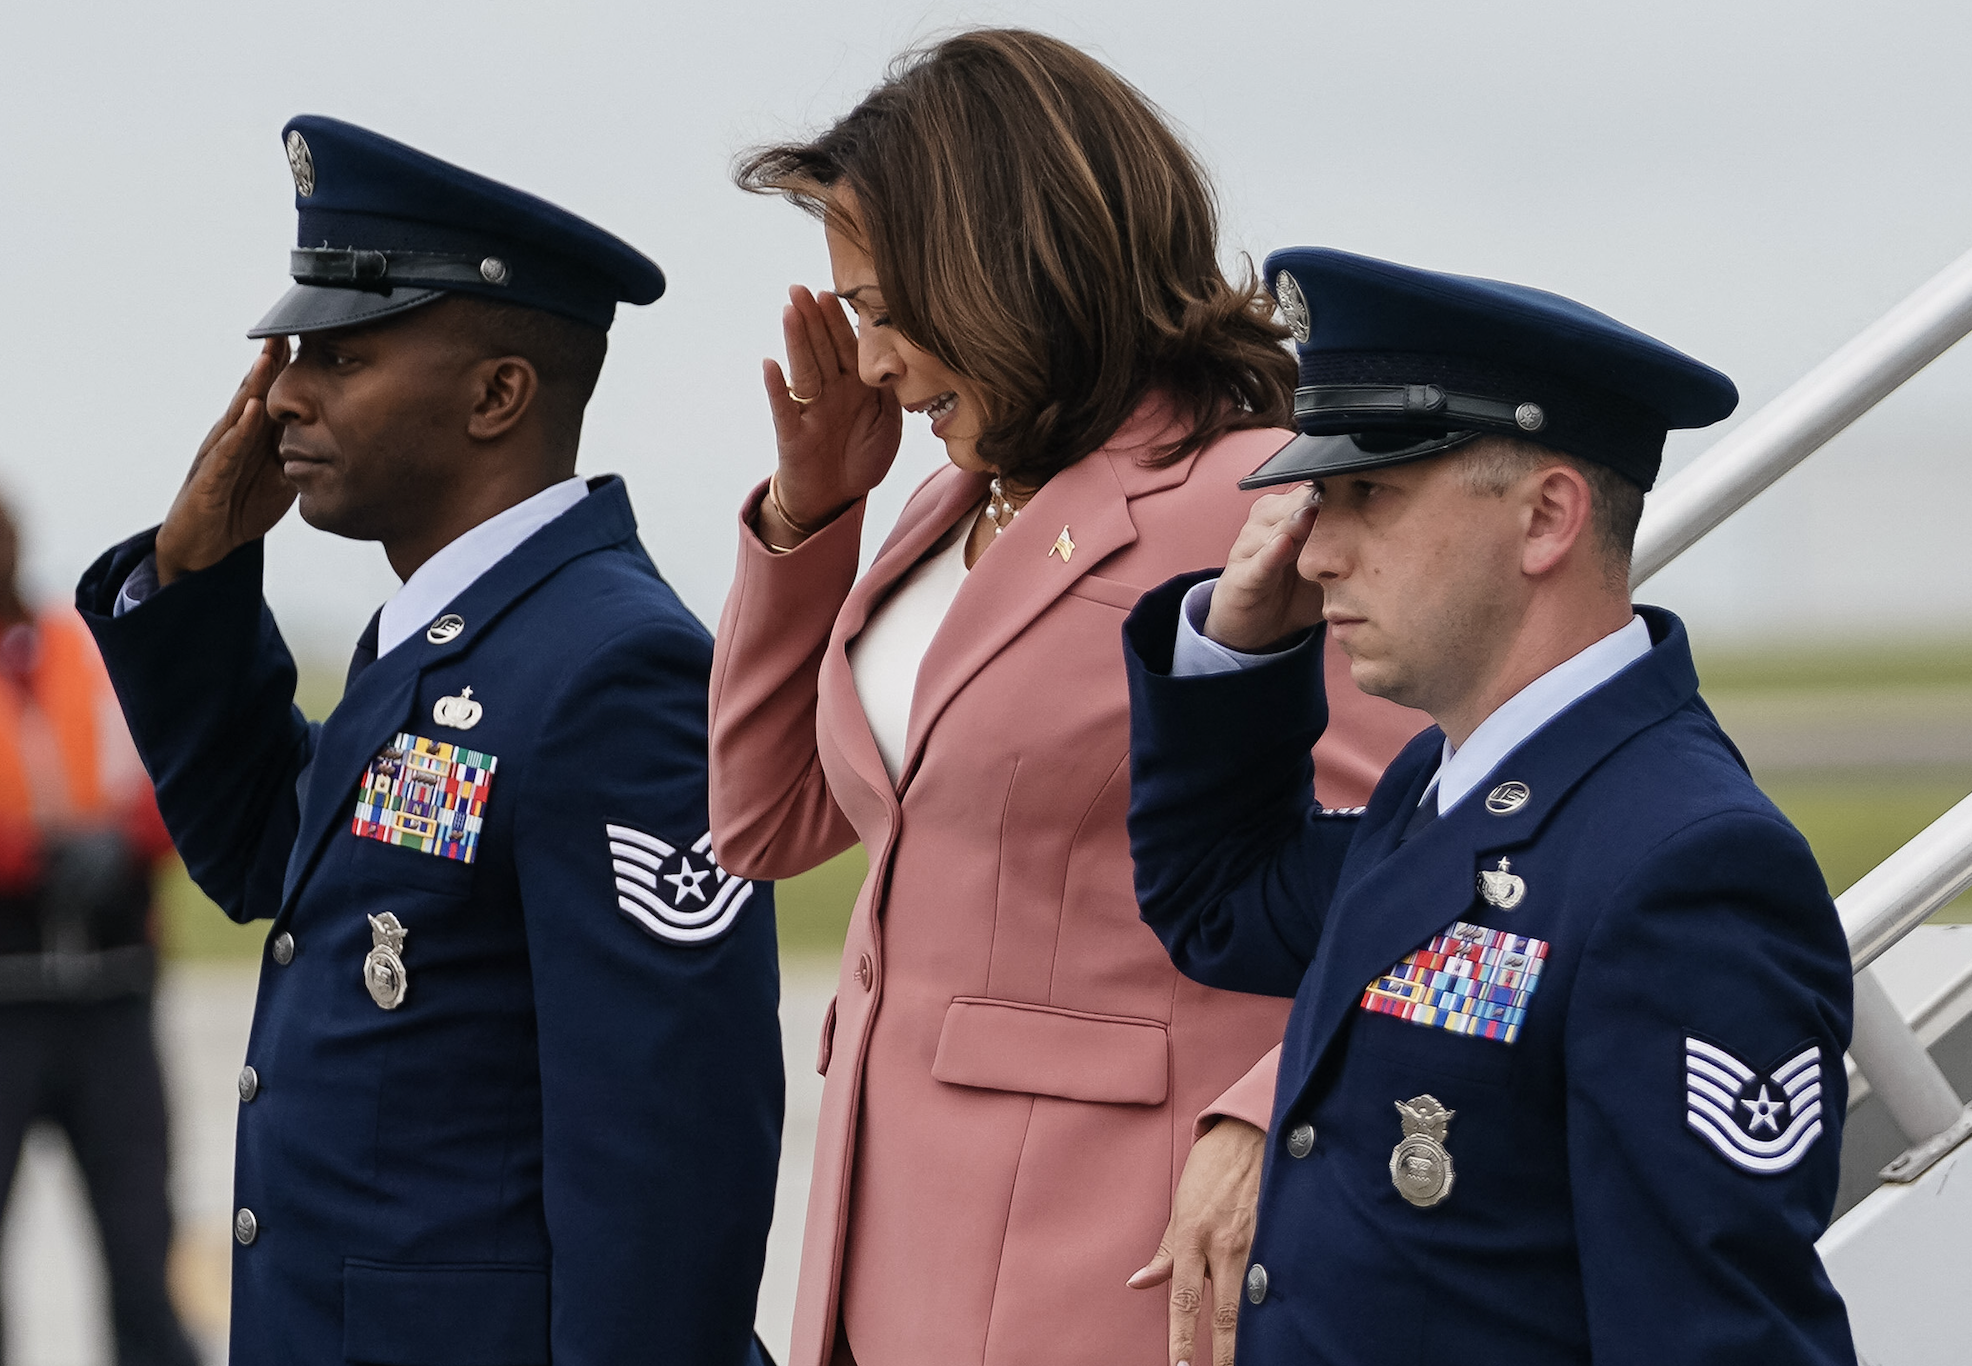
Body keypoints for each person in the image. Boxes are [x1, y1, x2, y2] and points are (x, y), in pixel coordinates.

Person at [709, 32, 1424, 1366]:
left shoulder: (1252, 496)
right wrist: (813, 517)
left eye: (881, 307)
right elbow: (766, 823)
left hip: (1114, 1249)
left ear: (1000, 267)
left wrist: (1270, 1113)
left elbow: (1429, 863)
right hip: (886, 1241)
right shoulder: (940, 507)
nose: (868, 363)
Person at [74, 116, 783, 1366]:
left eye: (341, 356)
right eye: (293, 352)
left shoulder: (615, 668)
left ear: (497, 394)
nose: (284, 388)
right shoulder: (445, 632)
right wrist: (195, 575)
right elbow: (267, 861)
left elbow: (666, 1161)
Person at [1122, 246, 1859, 1363]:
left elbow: (1713, 1340)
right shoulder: (1440, 782)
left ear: (1545, 517)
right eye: (1319, 498)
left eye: (1368, 492)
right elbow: (1217, 899)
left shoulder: (1686, 865)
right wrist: (1234, 650)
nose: (1315, 549)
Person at [0, 499, 199, 1366]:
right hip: (4, 996)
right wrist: (30, 856)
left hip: (112, 998)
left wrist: (121, 842)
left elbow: (169, 781)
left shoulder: (83, 650)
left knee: (139, 1253)